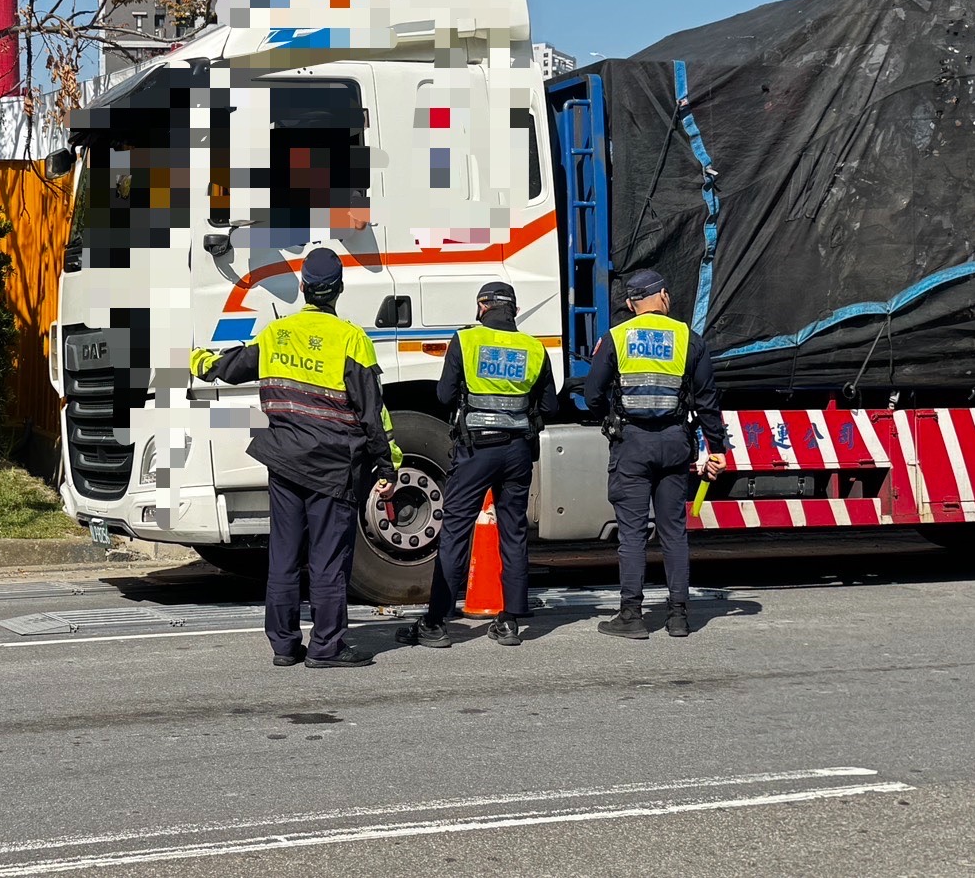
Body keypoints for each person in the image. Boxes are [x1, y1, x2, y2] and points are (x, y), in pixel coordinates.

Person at [190, 247, 402, 668]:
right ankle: (327, 646)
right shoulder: (351, 339)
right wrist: (386, 466)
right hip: (332, 467)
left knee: (284, 556)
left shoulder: (276, 333)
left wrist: (199, 359)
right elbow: (371, 411)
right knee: (327, 559)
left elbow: (227, 367)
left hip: (284, 461)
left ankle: (284, 646)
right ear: (339, 289)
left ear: (303, 286)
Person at [399, 281, 558, 650]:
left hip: (476, 451)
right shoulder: (534, 348)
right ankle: (510, 621)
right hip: (517, 452)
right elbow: (549, 406)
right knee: (513, 533)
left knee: (455, 531)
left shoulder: (466, 340)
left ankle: (436, 623)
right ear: (514, 310)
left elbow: (443, 395)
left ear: (482, 307)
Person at [585, 269, 727, 638]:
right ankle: (678, 616)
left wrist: (611, 418)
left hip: (632, 443)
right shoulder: (688, 338)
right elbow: (707, 401)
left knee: (632, 534)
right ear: (663, 296)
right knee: (674, 532)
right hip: (676, 442)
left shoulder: (616, 337)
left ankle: (632, 616)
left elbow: (592, 394)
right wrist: (717, 449)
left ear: (630, 303)